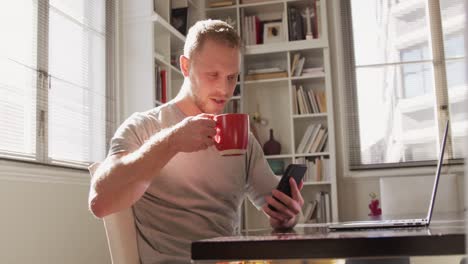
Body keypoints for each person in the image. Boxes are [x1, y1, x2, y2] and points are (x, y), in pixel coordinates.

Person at [88, 19, 304, 264]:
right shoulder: (145, 126)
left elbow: (277, 207)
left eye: (232, 77)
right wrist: (173, 141)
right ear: (185, 66)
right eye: (213, 75)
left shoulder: (242, 139)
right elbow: (100, 201)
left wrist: (288, 216)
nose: (224, 89)